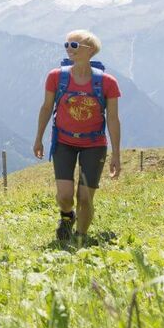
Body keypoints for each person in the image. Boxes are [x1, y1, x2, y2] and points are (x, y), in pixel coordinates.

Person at [33, 30, 121, 242]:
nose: (68, 49)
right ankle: (67, 217)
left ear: (90, 50)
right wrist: (38, 138)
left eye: (74, 45)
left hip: (94, 144)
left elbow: (113, 119)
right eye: (66, 44)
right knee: (64, 196)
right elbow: (46, 108)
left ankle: (80, 238)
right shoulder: (56, 77)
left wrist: (116, 154)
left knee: (85, 198)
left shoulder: (108, 83)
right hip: (64, 142)